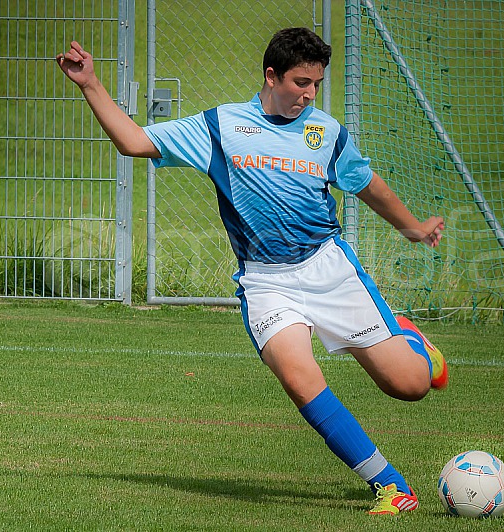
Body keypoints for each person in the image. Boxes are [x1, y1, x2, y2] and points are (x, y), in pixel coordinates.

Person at [57, 27, 448, 515]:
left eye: (316, 85)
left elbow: (369, 186)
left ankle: (409, 340)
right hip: (266, 282)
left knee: (408, 386)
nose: (307, 95)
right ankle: (391, 486)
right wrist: (91, 84)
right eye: (300, 83)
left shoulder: (325, 133)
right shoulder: (220, 126)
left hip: (328, 269)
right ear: (271, 75)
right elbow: (135, 142)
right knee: (300, 379)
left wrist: (412, 229)